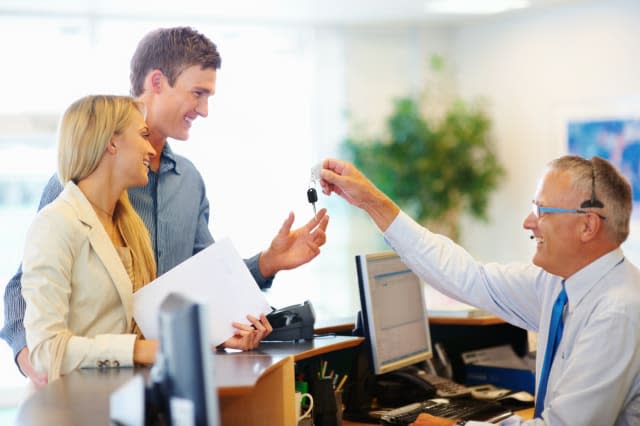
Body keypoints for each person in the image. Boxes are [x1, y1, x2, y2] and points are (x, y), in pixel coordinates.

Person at [2, 27, 329, 387]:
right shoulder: (80, 184)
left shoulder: (188, 180)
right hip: (87, 387)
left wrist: (268, 262)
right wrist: (32, 359)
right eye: (198, 94)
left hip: (157, 383)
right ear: (157, 81)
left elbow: (206, 282)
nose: (204, 110)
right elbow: (25, 289)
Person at [319, 156, 640, 425]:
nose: (529, 222)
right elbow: (468, 277)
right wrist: (372, 202)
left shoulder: (616, 311)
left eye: (543, 210)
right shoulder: (560, 284)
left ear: (587, 225)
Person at [22, 95, 159, 381]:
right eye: (143, 135)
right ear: (111, 142)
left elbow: (140, 324)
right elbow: (46, 350)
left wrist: (215, 337)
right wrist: (134, 351)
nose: (151, 149)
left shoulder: (130, 226)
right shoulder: (55, 223)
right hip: (77, 409)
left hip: (128, 400)